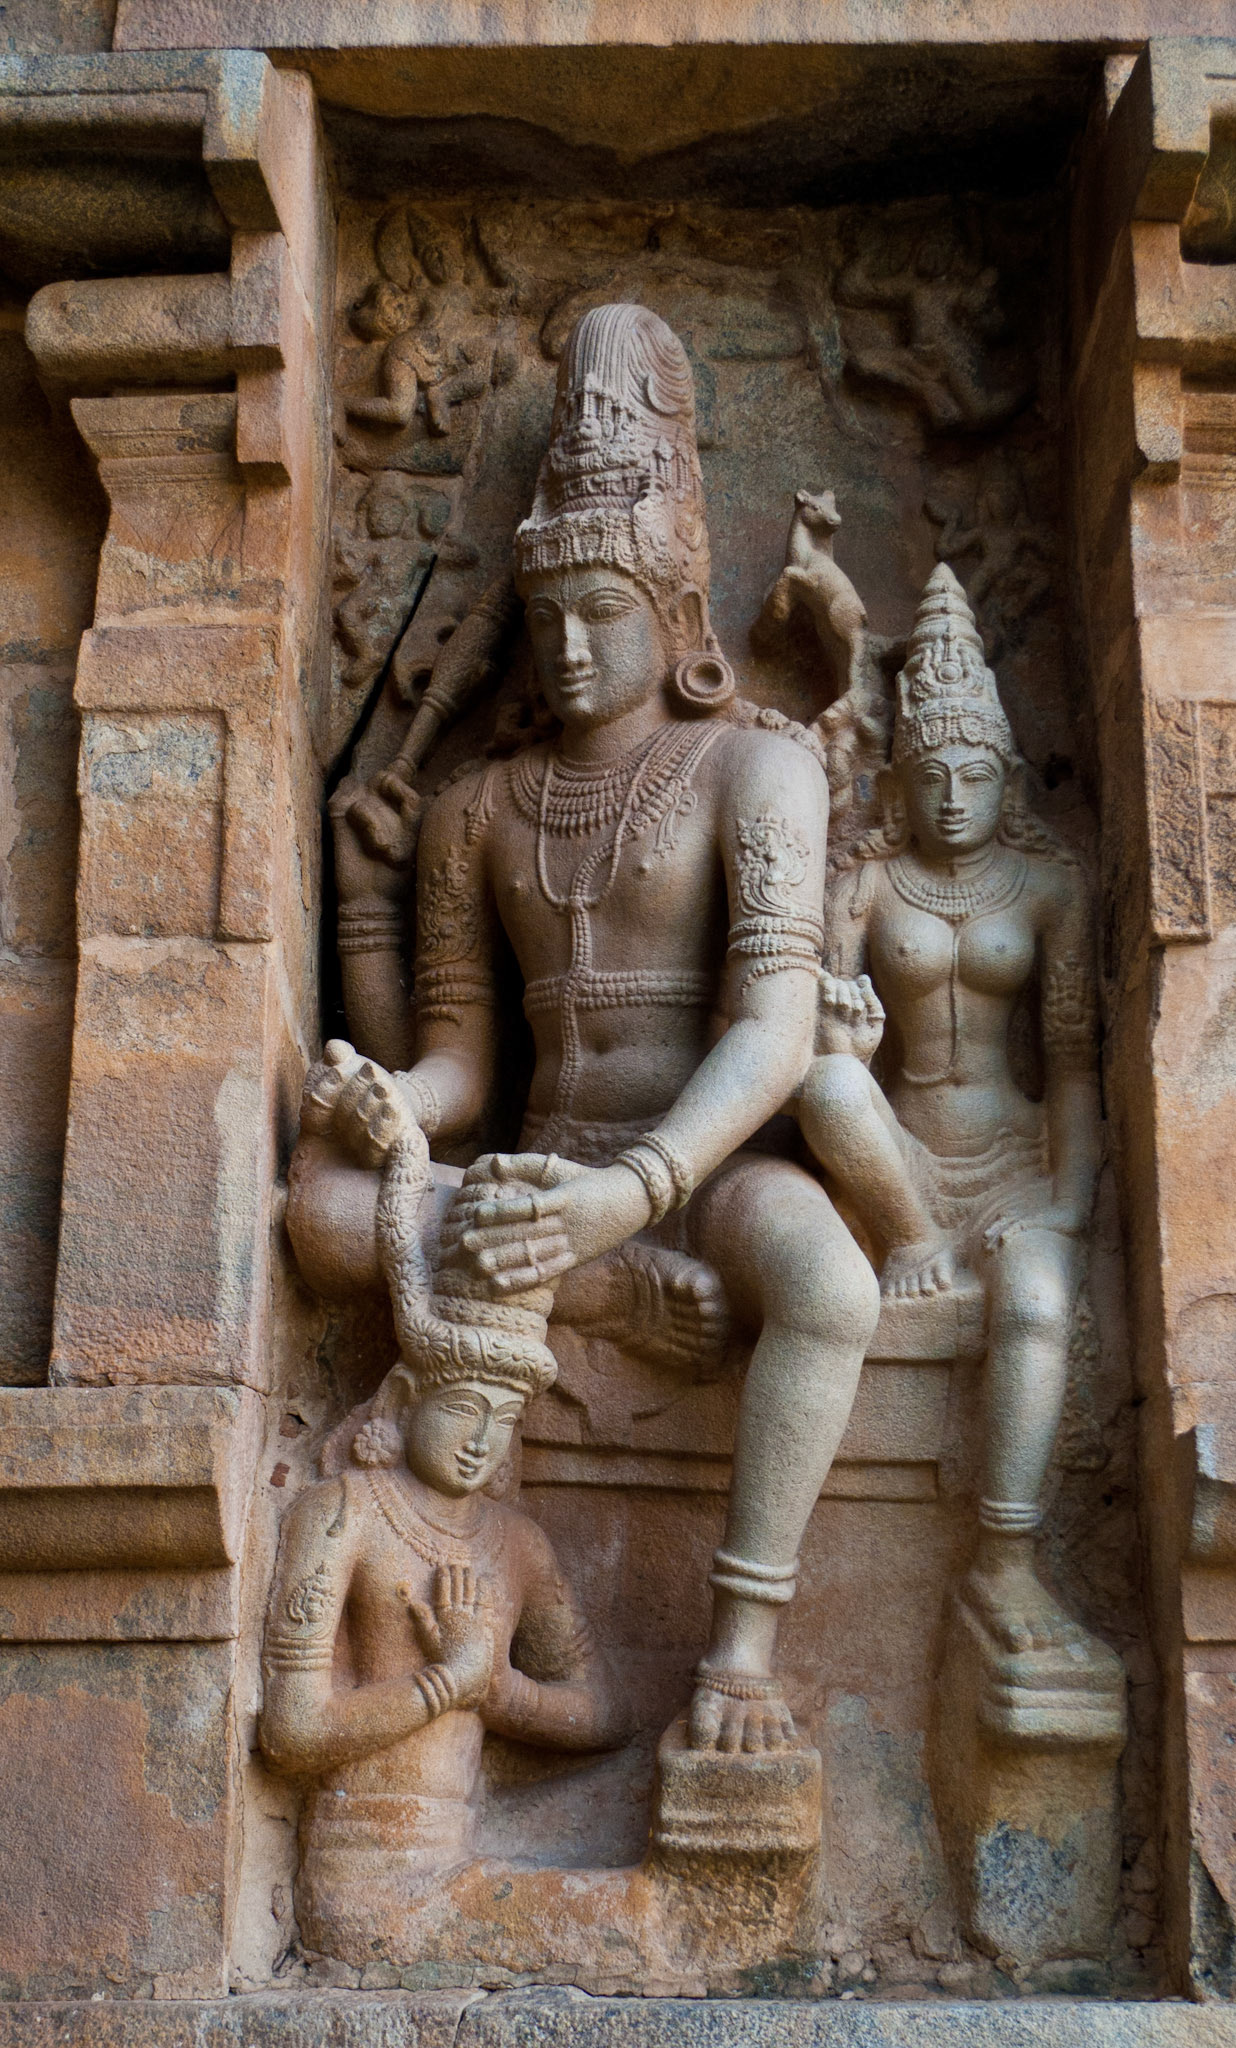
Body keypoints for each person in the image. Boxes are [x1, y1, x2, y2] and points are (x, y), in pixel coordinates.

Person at [309, 303, 881, 1755]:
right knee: (317, 1207)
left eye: (601, 612)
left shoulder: (755, 769)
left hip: (699, 1165)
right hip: (536, 1175)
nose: (565, 646)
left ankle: (737, 1654)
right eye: (546, 614)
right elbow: (465, 1067)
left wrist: (631, 1196)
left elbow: (768, 1030)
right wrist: (394, 1105)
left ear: (675, 614)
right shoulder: (474, 808)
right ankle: (602, 1299)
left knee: (827, 1279)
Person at [800, 562, 1104, 1663]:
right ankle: (911, 1244)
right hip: (899, 1160)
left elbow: (1071, 1061)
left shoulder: (1048, 886)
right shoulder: (863, 884)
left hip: (1012, 1160)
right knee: (827, 1082)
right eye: (929, 773)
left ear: (1006, 777)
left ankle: (1006, 1563)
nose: (950, 797)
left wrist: (1066, 1207)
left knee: (1031, 1305)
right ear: (901, 779)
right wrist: (848, 1039)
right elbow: (822, 1050)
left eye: (973, 774)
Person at [262, 1097, 627, 1932]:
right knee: (633, 1919)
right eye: (467, 1411)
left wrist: (496, 1689)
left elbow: (607, 1712)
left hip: (463, 1858)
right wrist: (443, 1685)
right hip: (366, 1878)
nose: (482, 1444)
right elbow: (291, 1729)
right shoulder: (343, 1513)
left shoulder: (515, 1545)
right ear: (404, 1394)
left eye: (503, 1422)